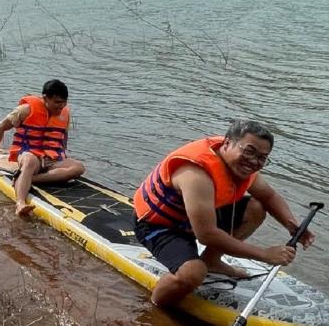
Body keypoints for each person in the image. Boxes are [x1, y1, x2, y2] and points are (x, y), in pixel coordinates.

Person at [133, 119, 315, 307]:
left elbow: (269, 196)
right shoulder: (196, 173)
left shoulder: (243, 165)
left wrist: (292, 225)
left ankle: (212, 260)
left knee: (256, 207)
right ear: (227, 143)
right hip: (160, 225)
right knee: (193, 273)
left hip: (197, 218)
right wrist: (264, 255)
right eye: (249, 151)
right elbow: (206, 234)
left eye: (262, 157)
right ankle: (155, 308)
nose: (253, 161)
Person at [0, 79, 85, 217]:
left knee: (78, 167)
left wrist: (64, 155)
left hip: (51, 158)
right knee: (30, 161)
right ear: (45, 98)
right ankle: (20, 203)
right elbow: (1, 127)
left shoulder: (64, 112)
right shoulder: (26, 110)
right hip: (29, 153)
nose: (60, 107)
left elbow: (63, 135)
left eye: (63, 103)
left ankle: (28, 179)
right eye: (56, 103)